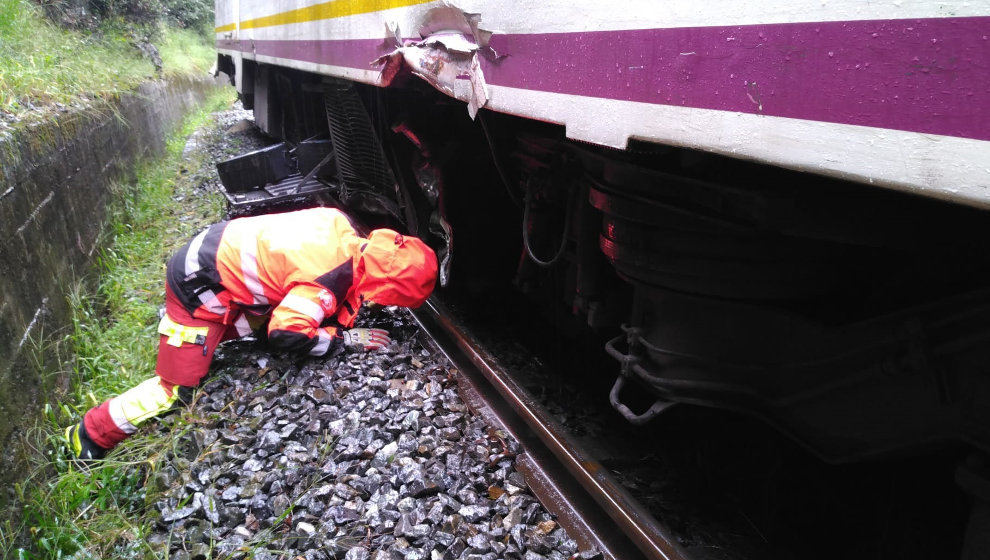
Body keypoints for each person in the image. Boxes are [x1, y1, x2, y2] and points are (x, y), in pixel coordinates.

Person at [65, 207, 438, 461]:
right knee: (176, 388)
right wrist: (344, 340)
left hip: (214, 257)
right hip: (198, 285)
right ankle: (89, 435)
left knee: (259, 327)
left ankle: (210, 337)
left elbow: (334, 286)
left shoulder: (339, 224)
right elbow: (287, 335)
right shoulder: (322, 283)